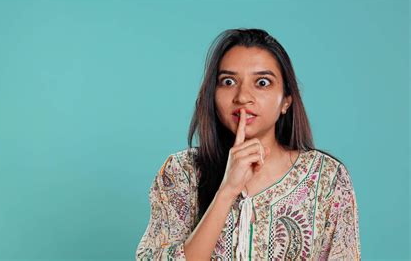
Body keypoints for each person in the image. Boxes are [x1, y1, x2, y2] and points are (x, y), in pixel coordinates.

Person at [135, 28, 361, 260]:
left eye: (262, 82)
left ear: (286, 101)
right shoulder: (182, 172)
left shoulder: (326, 178)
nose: (242, 96)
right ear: (212, 94)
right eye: (228, 81)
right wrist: (227, 190)